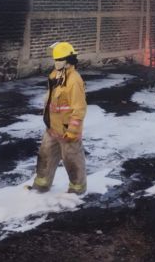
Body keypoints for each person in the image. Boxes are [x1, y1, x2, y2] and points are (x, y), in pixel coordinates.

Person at [31, 41, 88, 195]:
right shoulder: (55, 75)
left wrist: (73, 131)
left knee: (72, 160)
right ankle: (41, 184)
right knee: (45, 156)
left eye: (59, 60)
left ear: (68, 61)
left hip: (67, 130)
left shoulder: (74, 80)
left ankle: (77, 188)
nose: (56, 63)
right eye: (55, 60)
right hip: (52, 128)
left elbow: (79, 108)